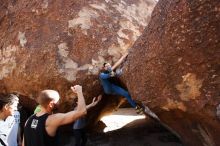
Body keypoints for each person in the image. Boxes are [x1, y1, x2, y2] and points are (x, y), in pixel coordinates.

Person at [22, 85, 87, 146]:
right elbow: (82, 111)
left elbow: (23, 144)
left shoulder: (29, 120)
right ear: (51, 104)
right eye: (58, 101)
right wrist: (79, 91)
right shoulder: (51, 120)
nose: (59, 103)